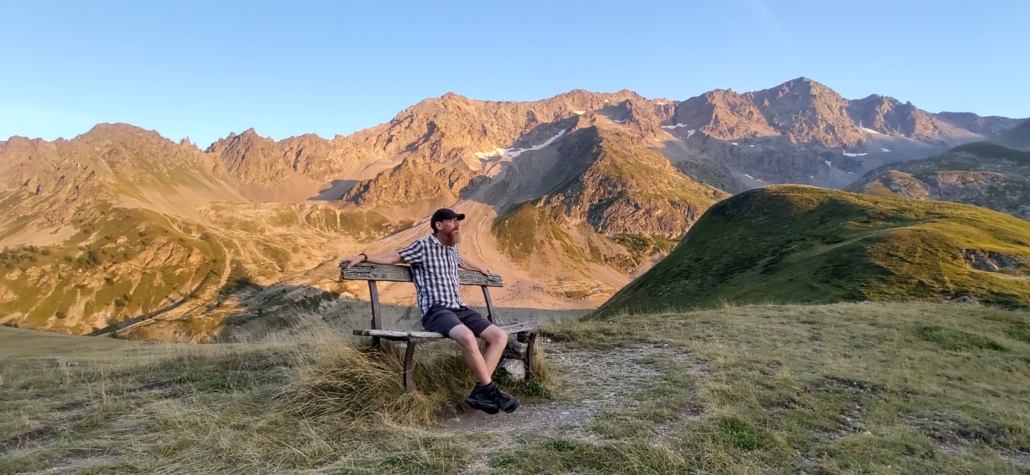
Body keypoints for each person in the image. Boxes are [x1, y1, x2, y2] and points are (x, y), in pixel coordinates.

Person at [339, 208, 519, 414]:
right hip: (436, 312)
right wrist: (363, 256)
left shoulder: (451, 249)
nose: (457, 225)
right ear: (439, 225)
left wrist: (479, 268)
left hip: (459, 308)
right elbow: (394, 256)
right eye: (453, 221)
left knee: (499, 336)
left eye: (458, 221)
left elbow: (461, 260)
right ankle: (490, 390)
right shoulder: (423, 247)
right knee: (468, 337)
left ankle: (480, 391)